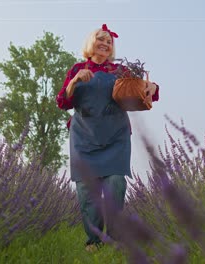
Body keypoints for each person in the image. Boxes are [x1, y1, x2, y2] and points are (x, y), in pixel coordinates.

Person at [56, 24, 160, 252]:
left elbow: (143, 90)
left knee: (115, 182)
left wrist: (152, 86)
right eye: (100, 40)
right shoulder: (76, 69)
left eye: (108, 42)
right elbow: (63, 102)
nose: (104, 44)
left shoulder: (120, 70)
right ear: (90, 43)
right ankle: (93, 241)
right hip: (83, 136)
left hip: (116, 136)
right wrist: (75, 82)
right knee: (87, 190)